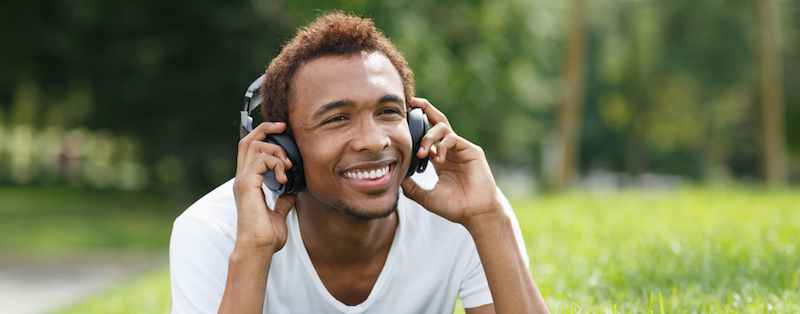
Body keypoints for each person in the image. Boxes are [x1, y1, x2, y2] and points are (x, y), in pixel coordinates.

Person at [169, 12, 550, 314]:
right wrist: (252, 250)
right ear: (283, 146)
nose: (374, 141)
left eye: (388, 111)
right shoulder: (214, 231)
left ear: (417, 126)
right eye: (337, 118)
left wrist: (488, 220)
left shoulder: (469, 209)